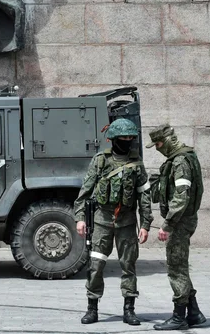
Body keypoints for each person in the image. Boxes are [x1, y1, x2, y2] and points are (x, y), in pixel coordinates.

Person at [73, 118, 153, 326]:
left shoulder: (136, 164)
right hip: (102, 222)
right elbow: (85, 191)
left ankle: (129, 309)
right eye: (123, 138)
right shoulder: (100, 161)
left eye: (130, 138)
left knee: (128, 266)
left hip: (127, 223)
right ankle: (92, 308)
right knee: (96, 264)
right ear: (113, 139)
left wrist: (145, 225)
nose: (127, 141)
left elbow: (144, 196)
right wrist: (79, 218)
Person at [146, 124, 206, 331]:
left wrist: (168, 224)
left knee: (176, 268)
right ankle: (195, 313)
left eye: (159, 144)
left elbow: (181, 196)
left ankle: (179, 316)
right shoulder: (183, 157)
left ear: (168, 140)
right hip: (184, 220)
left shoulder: (180, 161)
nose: (157, 148)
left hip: (180, 222)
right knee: (180, 266)